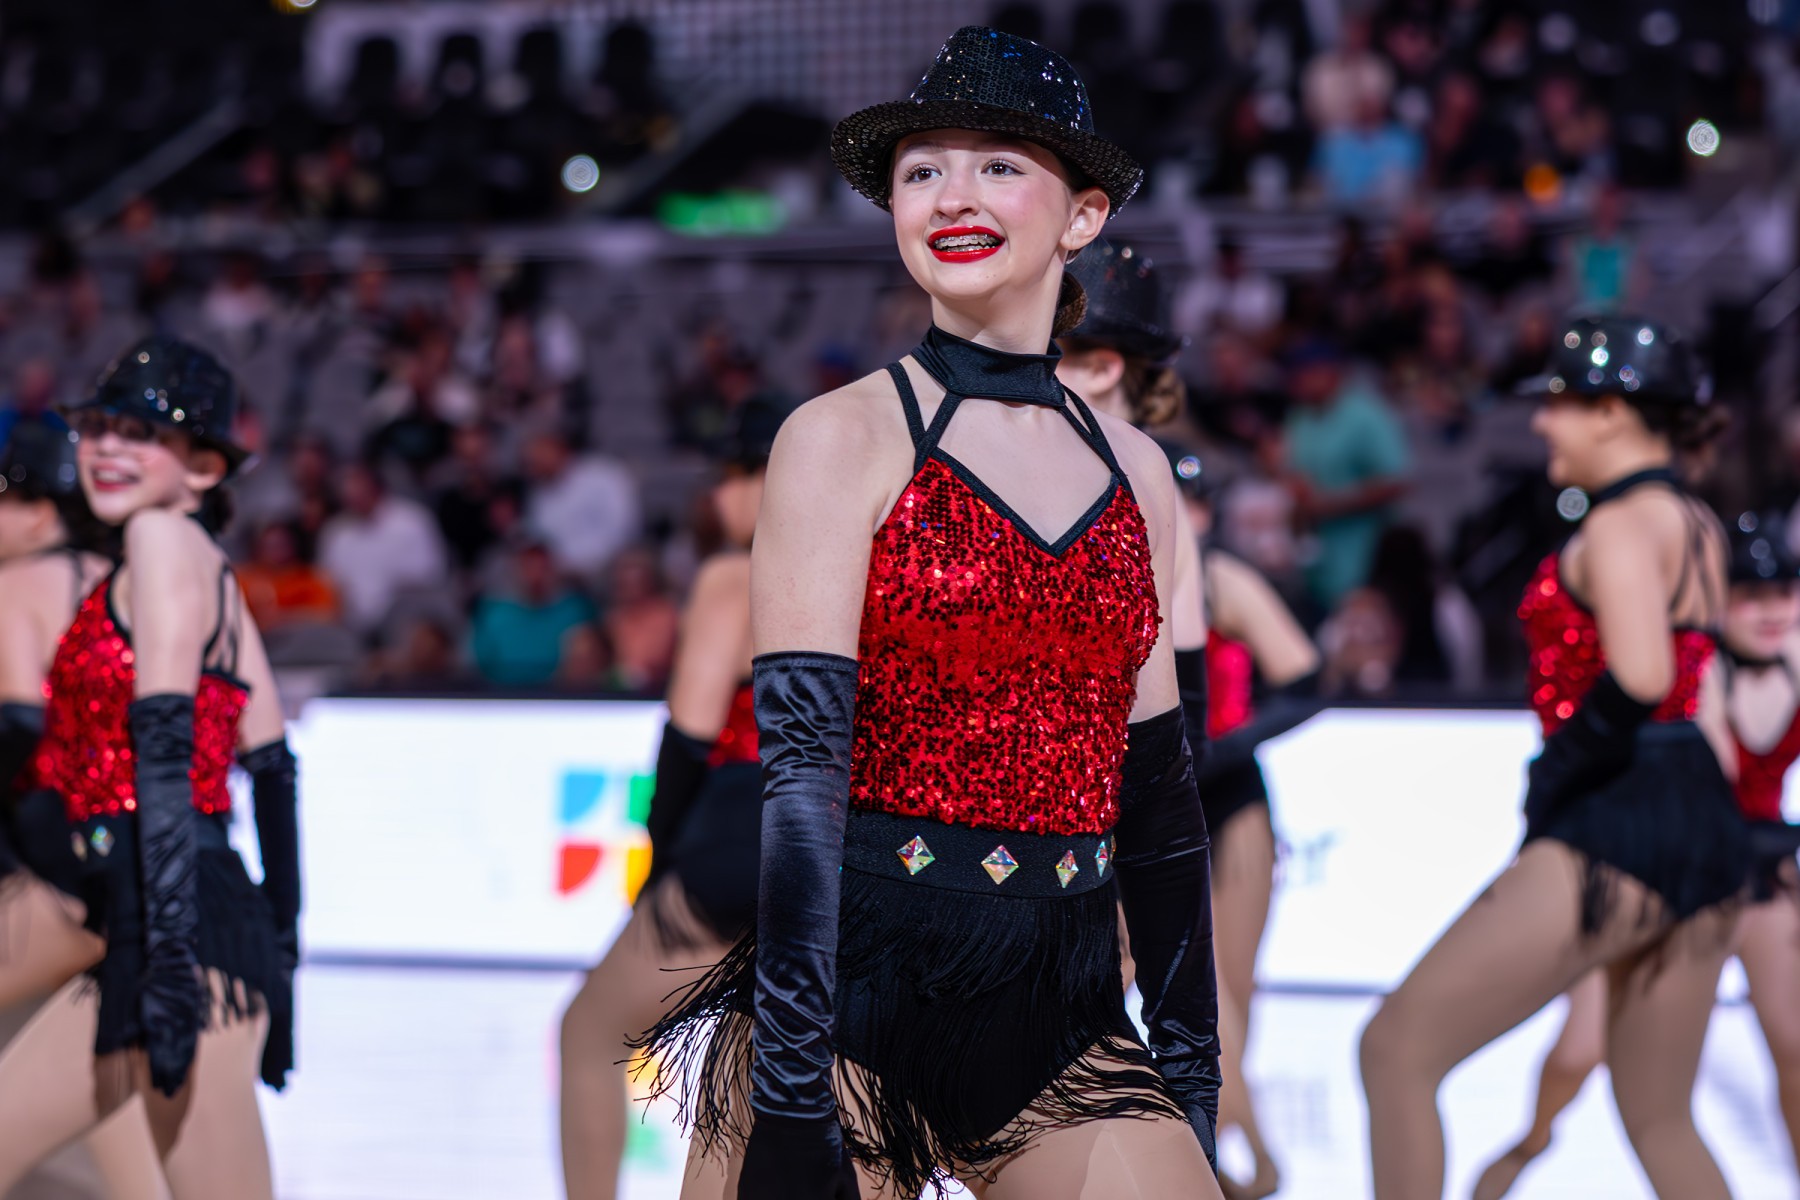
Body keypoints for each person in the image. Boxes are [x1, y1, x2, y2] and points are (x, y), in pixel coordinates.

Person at [640, 26, 1223, 1200]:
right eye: (923, 170)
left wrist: (1191, 1075)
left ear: (1085, 216)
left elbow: (1161, 811)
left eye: (999, 164)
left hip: (1063, 1015)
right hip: (847, 1014)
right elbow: (802, 788)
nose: (953, 195)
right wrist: (791, 1096)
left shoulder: (1141, 477)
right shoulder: (839, 438)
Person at [1360, 314, 1750, 1200]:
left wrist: (1556, 773)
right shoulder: (1697, 522)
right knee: (1662, 1119)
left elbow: (1642, 675)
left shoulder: (1617, 525)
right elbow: (1690, 683)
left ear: (1613, 413)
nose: (1542, 423)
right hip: (1700, 820)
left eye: (1561, 404)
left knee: (1394, 1051)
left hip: (1617, 817)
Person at [0, 337, 302, 1198]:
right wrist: (283, 952)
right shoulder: (206, 574)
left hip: (181, 943)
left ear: (203, 468)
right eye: (99, 427)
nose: (107, 447)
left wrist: (171, 960)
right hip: (170, 933)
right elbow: (274, 772)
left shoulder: (162, 539)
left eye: (140, 433)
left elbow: (165, 752)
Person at [1057, 241, 1316, 1200]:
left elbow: (1278, 684)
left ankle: (1236, 1165)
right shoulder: (1078, 479)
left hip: (1187, 801)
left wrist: (1209, 759)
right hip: (1116, 801)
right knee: (1131, 1008)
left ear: (1104, 365)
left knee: (1206, 999)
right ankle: (1225, 1166)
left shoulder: (1153, 498)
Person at [1470, 514, 1800, 1200]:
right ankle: (1533, 1139)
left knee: (1795, 1045)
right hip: (1676, 866)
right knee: (1581, 1049)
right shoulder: (1696, 671)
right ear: (1719, 599)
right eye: (1751, 596)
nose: (1771, 611)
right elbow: (1702, 778)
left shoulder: (1793, 660)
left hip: (1761, 874)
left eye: (1785, 593)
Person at [560, 399, 784, 1200]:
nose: (716, 497)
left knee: (590, 1031)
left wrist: (656, 879)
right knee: (743, 1077)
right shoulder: (867, 570)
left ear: (760, 479)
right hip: (835, 848)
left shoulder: (737, 573)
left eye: (727, 477)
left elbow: (687, 741)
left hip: (739, 840)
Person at [0, 415, 168, 1200]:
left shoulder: (14, 586)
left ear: (42, 512)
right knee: (110, 1090)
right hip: (146, 872)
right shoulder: (130, 583)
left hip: (63, 871)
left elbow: (16, 730)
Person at [1278, 338, 1411, 612]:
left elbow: (1397, 481)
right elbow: (1295, 470)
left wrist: (1332, 504)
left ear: (1329, 371)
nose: (1298, 382)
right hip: (1316, 557)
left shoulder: (1366, 415)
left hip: (1364, 553)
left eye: (1306, 373)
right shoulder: (1300, 416)